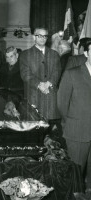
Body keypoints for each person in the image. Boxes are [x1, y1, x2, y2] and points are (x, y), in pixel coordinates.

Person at [57, 40, 91, 191]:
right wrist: (72, 122)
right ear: (87, 53)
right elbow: (62, 103)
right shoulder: (73, 73)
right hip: (78, 131)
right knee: (75, 177)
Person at [19, 27, 61, 134]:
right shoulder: (25, 54)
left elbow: (57, 71)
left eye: (45, 36)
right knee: (34, 127)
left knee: (50, 128)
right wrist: (39, 85)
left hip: (50, 94)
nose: (42, 38)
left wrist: (48, 83)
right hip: (34, 94)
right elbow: (25, 74)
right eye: (39, 35)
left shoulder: (54, 54)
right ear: (34, 37)